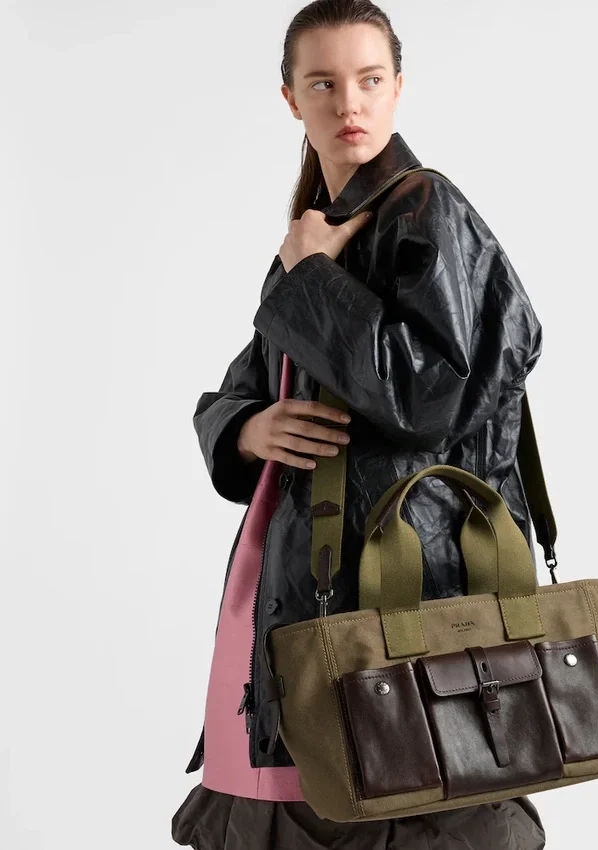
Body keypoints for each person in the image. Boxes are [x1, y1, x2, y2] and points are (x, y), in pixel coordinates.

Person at [172, 1, 547, 847]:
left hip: (410, 595)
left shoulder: (427, 211)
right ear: (290, 99)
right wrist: (246, 429)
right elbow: (245, 384)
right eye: (324, 83)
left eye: (370, 80)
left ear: (398, 88)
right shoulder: (320, 235)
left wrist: (313, 277)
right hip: (307, 593)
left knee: (408, 800)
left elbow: (435, 396)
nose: (350, 103)